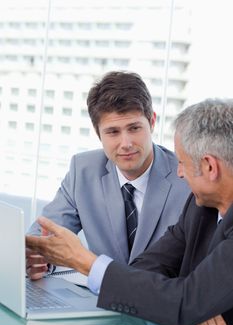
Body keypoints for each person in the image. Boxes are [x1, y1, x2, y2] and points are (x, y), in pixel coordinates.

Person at [26, 98, 233, 325]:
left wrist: (84, 261)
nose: (180, 172)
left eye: (183, 163)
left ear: (210, 166)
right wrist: (194, 304)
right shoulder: (201, 208)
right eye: (113, 131)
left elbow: (185, 302)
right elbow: (148, 266)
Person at [26, 71, 190, 279]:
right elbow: (41, 235)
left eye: (134, 128)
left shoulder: (187, 177)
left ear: (152, 122)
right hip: (98, 303)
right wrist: (37, 258)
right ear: (98, 133)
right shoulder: (83, 170)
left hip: (162, 304)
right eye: (113, 132)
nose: (126, 143)